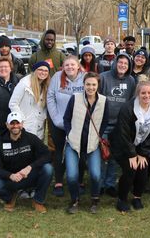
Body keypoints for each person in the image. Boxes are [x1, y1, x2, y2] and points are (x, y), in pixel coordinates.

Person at [112, 82, 150, 212]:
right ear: (138, 94)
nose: (146, 95)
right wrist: (132, 154)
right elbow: (123, 133)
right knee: (131, 168)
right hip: (123, 145)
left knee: (143, 168)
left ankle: (137, 197)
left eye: (149, 93)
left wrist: (142, 153)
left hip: (142, 146)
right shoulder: (128, 108)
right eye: (143, 93)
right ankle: (122, 198)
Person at [0, 111, 52, 213]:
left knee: (48, 168)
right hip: (11, 180)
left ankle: (38, 200)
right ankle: (10, 197)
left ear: (22, 124)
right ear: (7, 125)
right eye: (12, 123)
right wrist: (10, 175)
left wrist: (30, 167)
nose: (15, 126)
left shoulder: (31, 138)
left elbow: (47, 154)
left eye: (18, 123)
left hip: (29, 176)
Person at [62, 72, 109, 214]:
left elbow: (105, 121)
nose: (90, 87)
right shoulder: (75, 99)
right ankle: (75, 200)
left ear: (97, 85)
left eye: (94, 84)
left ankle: (95, 200)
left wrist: (98, 136)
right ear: (83, 85)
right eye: (88, 84)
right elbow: (66, 118)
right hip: (74, 142)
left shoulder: (103, 101)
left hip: (92, 144)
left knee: (95, 174)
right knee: (71, 175)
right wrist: (70, 133)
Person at [46, 55, 86, 197]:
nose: (70, 67)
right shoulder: (57, 77)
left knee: (79, 151)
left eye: (72, 65)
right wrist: (56, 118)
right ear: (63, 66)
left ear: (78, 66)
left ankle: (79, 181)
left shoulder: (85, 77)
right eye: (67, 65)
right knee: (59, 151)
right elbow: (50, 97)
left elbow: (91, 96)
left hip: (79, 123)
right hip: (60, 123)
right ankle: (58, 182)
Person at [98, 52, 136, 197]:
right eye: (120, 63)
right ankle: (100, 184)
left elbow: (132, 101)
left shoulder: (131, 81)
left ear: (129, 66)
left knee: (114, 155)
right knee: (103, 154)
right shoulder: (104, 77)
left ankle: (110, 184)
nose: (122, 66)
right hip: (103, 123)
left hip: (120, 125)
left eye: (125, 64)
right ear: (115, 63)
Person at [9, 61, 50, 143]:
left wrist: (44, 117)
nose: (43, 72)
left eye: (46, 71)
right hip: (26, 125)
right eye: (40, 70)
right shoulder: (24, 84)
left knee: (37, 150)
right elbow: (13, 103)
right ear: (35, 71)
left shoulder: (46, 85)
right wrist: (21, 119)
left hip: (39, 125)